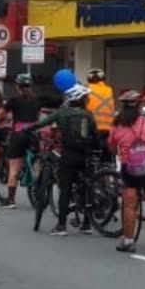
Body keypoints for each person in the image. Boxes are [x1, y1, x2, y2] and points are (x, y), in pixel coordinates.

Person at [29, 83, 98, 236]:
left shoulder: (62, 113)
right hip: (85, 155)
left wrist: (30, 127)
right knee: (86, 187)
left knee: (65, 188)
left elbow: (43, 123)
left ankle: (61, 226)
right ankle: (87, 224)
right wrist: (96, 150)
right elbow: (95, 135)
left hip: (69, 154)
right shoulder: (88, 114)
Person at [108, 90, 145, 251]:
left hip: (130, 169)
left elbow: (112, 147)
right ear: (140, 107)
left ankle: (128, 240)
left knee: (129, 205)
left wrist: (119, 153)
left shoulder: (117, 125)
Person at [0, 74, 41, 209]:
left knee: (14, 168)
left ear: (18, 87)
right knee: (37, 163)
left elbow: (0, 115)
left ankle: (11, 200)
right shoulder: (37, 100)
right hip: (33, 135)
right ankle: (39, 189)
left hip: (18, 134)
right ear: (30, 86)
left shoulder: (14, 100)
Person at [85, 68, 116, 145]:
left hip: (92, 127)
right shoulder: (109, 90)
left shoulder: (86, 90)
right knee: (107, 152)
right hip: (108, 128)